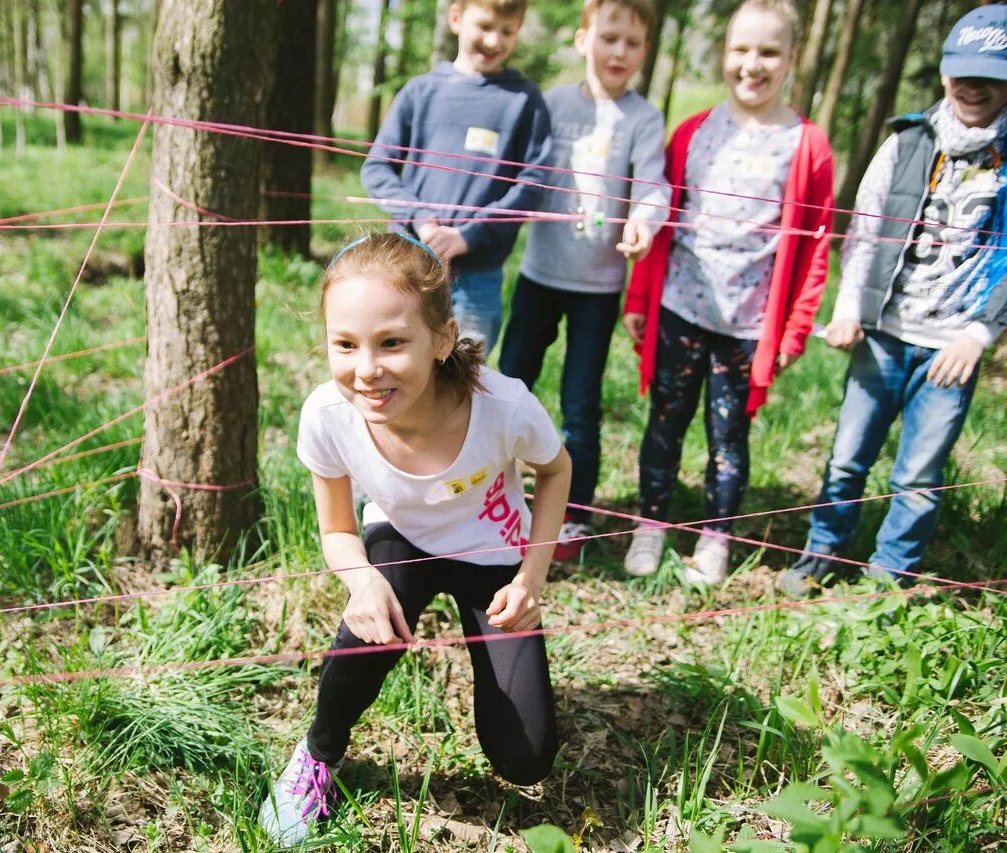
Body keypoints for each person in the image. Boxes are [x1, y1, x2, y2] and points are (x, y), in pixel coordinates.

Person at [259, 233, 571, 845]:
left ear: (442, 339)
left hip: (492, 554)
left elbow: (556, 470)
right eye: (345, 344)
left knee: (526, 759)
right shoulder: (328, 413)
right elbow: (337, 530)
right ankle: (318, 757)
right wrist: (361, 581)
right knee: (369, 620)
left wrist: (531, 578)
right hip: (400, 538)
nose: (367, 368)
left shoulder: (504, 406)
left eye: (392, 342)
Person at [779, 4, 1007, 597]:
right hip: (883, 330)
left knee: (919, 474)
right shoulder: (908, 141)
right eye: (961, 72)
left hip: (951, 347)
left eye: (993, 74)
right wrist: (851, 305)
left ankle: (887, 579)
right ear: (942, 71)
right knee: (847, 456)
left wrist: (979, 333)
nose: (973, 87)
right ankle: (820, 551)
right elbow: (867, 227)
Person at [620, 0, 835, 585]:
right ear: (724, 55)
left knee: (727, 436)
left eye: (768, 52)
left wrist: (794, 328)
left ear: (791, 58)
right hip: (679, 310)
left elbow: (815, 247)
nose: (752, 64)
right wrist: (640, 299)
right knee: (664, 424)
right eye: (741, 49)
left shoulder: (807, 145)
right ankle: (651, 524)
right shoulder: (691, 133)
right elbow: (656, 219)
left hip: (747, 325)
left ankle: (716, 536)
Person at [498, 0, 669, 563]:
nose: (619, 51)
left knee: (580, 404)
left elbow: (653, 184)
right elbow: (522, 168)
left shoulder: (643, 118)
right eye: (609, 37)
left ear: (644, 51)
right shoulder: (552, 103)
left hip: (598, 289)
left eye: (632, 43)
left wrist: (644, 221)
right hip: (539, 277)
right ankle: (493, 493)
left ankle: (573, 515)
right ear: (582, 39)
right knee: (510, 385)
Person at [360, 0, 551, 353]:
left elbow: (533, 184)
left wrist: (470, 235)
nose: (494, 41)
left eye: (507, 31)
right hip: (409, 267)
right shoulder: (421, 92)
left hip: (478, 275)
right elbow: (377, 167)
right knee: (399, 362)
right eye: (485, 27)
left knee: (465, 375)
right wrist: (420, 218)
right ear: (456, 18)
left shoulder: (525, 101)